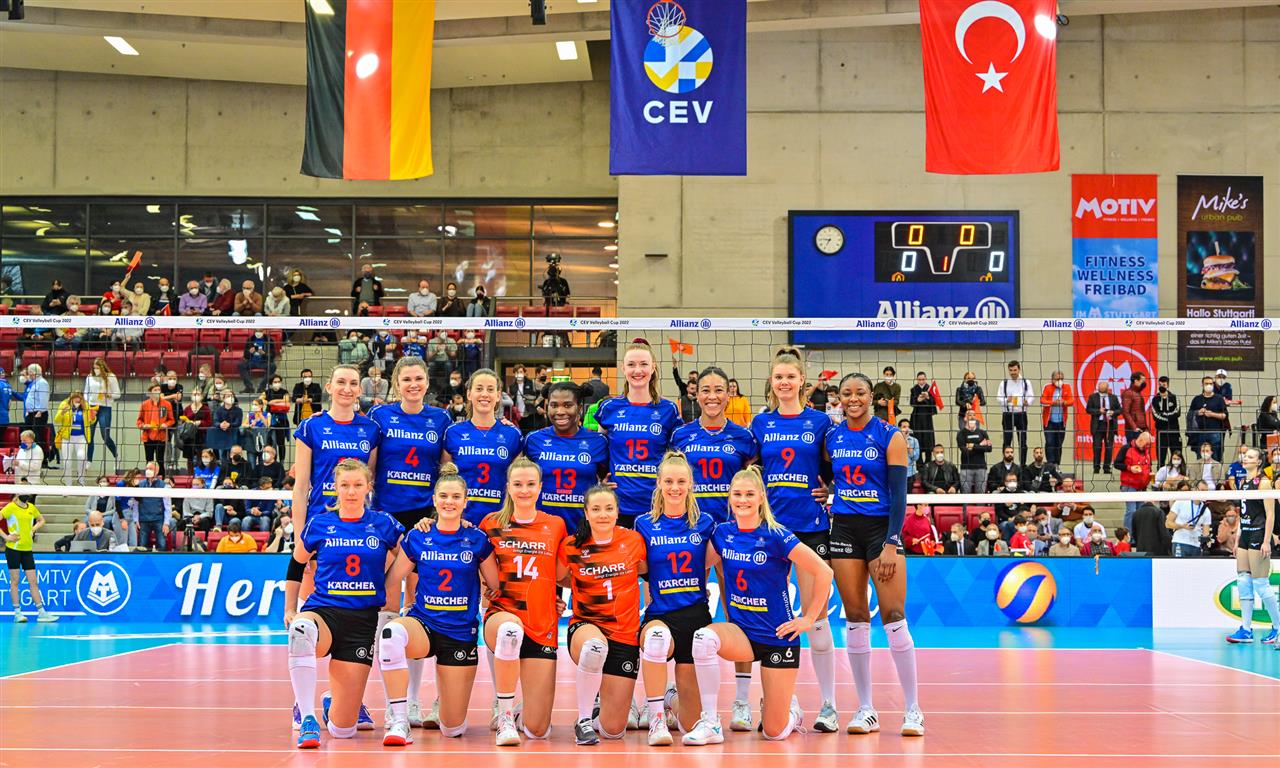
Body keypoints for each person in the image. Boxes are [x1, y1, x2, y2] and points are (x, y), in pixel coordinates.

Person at [687, 465, 833, 744]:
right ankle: (711, 723)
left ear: (761, 498)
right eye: (737, 494)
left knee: (774, 733)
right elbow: (696, 566)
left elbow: (824, 572)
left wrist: (808, 619)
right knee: (703, 639)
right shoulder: (722, 534)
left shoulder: (777, 535)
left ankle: (791, 712)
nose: (742, 500)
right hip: (742, 634)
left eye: (749, 494)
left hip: (778, 637)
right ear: (729, 497)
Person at [826, 372, 924, 736]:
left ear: (872, 397)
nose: (853, 399)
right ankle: (865, 708)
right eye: (846, 393)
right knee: (855, 617)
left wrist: (891, 543)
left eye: (860, 393)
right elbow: (827, 476)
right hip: (844, 528)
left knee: (894, 616)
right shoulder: (832, 437)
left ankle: (913, 709)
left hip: (882, 529)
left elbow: (900, 496)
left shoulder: (889, 436)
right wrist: (824, 490)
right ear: (838, 398)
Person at [285, 459, 403, 749]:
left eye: (357, 485)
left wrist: (389, 584)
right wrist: (290, 609)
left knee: (343, 730)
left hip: (361, 623)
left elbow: (411, 554)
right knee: (301, 630)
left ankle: (331, 703)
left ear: (368, 487)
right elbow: (297, 563)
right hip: (324, 613)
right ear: (335, 488)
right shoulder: (320, 523)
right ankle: (307, 716)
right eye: (345, 485)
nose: (351, 491)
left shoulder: (384, 524)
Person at [378, 464, 499, 746]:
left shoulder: (477, 539)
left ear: (466, 502)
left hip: (460, 633)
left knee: (452, 729)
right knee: (391, 634)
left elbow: (495, 584)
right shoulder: (418, 536)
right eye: (443, 496)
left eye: (456, 497)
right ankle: (399, 719)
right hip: (425, 624)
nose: (449, 502)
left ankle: (445, 705)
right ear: (434, 500)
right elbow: (392, 578)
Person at [749, 347, 836, 729]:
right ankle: (785, 701)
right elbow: (748, 470)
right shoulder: (760, 423)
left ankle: (829, 705)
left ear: (802, 381)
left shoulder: (820, 422)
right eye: (779, 377)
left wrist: (830, 488)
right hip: (770, 529)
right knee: (773, 618)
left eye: (790, 376)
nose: (784, 382)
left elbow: (835, 465)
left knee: (816, 617)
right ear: (772, 382)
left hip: (809, 525)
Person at [462, 457, 567, 747]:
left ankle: (522, 713)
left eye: (530, 484)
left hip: (541, 623)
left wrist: (556, 598)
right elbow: (475, 560)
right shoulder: (491, 523)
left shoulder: (556, 525)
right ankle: (505, 715)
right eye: (518, 484)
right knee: (510, 631)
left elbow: (562, 574)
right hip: (503, 613)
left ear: (540, 487)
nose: (524, 490)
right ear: (508, 487)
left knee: (538, 730)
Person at [559, 485, 647, 745]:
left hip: (624, 634)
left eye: (609, 508)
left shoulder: (633, 540)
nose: (603, 515)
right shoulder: (572, 545)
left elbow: (645, 570)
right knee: (594, 647)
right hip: (587, 625)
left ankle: (599, 714)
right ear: (586, 513)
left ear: (618, 512)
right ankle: (584, 720)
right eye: (596, 509)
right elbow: (558, 577)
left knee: (613, 730)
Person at [596, 340, 682, 529]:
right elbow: (598, 451)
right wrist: (599, 481)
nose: (637, 370)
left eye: (643, 364)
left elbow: (678, 458)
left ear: (653, 367)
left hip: (657, 505)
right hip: (618, 506)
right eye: (631, 365)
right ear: (623, 368)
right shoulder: (609, 408)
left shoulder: (668, 410)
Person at [521, 382, 610, 533]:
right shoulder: (533, 440)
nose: (560, 411)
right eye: (554, 405)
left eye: (568, 405)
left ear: (579, 408)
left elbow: (605, 478)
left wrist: (604, 488)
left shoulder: (598, 442)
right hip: (541, 531)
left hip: (584, 530)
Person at [440, 369, 523, 526]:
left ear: (498, 395)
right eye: (479, 389)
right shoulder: (453, 433)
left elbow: (518, 484)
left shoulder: (512, 434)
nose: (484, 394)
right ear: (469, 394)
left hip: (500, 521)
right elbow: (445, 481)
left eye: (490, 389)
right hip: (462, 521)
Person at [1225, 447, 1279, 644]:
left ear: (1259, 462)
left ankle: (1278, 628)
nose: (1245, 459)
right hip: (1246, 534)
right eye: (1245, 456)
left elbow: (1270, 514)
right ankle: (1246, 630)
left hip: (1259, 533)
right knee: (1243, 581)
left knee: (1261, 584)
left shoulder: (1264, 482)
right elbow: (1243, 512)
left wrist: (1266, 540)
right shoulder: (1242, 482)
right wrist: (1238, 537)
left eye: (1250, 457)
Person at [3, 494, 59, 623]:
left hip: (27, 550)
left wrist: (33, 529)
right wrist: (6, 537)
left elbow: (41, 520)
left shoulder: (31, 507)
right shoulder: (10, 507)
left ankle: (42, 613)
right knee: (15, 581)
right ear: (17, 494)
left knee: (33, 581)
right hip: (13, 549)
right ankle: (17, 614)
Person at [51, 391, 94, 485]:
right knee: (67, 462)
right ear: (72, 398)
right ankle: (68, 484)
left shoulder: (86, 406)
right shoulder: (64, 404)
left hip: (81, 437)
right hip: (67, 437)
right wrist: (62, 413)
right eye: (76, 398)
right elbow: (57, 420)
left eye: (80, 399)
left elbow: (91, 421)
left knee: (81, 457)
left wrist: (93, 417)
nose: (78, 400)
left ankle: (81, 482)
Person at [15, 364, 52, 469]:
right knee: (28, 436)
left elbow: (43, 398)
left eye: (30, 371)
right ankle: (29, 459)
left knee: (38, 436)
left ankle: (42, 461)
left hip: (38, 414)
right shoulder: (34, 383)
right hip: (31, 414)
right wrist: (28, 411)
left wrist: (40, 411)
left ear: (35, 372)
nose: (29, 374)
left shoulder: (42, 383)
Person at [134, 383, 174, 473]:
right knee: (149, 460)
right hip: (148, 436)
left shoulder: (167, 404)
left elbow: (171, 420)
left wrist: (166, 425)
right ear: (150, 392)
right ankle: (149, 478)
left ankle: (161, 478)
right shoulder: (145, 404)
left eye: (159, 390)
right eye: (155, 390)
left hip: (161, 436)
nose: (157, 392)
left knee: (160, 460)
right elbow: (139, 421)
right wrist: (143, 425)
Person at [1188, 375, 1229, 462]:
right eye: (1206, 383)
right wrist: (1198, 412)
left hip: (1215, 432)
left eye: (1211, 383)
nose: (1209, 385)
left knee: (1215, 457)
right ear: (1202, 385)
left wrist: (1212, 414)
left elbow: (1224, 415)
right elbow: (1190, 414)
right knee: (1200, 457)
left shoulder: (1219, 398)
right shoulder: (1197, 399)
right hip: (1200, 433)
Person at [1119, 432, 1153, 530]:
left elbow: (1149, 467)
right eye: (1147, 444)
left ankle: (1138, 534)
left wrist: (1150, 475)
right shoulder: (1126, 448)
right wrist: (1130, 468)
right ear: (1141, 440)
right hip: (1129, 486)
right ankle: (1128, 535)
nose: (1148, 446)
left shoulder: (1146, 451)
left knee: (1140, 512)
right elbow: (1117, 464)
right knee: (1131, 511)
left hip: (1142, 487)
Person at [134, 462, 172, 551]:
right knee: (142, 546)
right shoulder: (140, 485)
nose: (148, 471)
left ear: (157, 471)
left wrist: (166, 523)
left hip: (159, 519)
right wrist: (136, 520)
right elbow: (136, 504)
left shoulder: (164, 486)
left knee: (162, 545)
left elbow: (168, 506)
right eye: (147, 468)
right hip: (144, 519)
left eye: (151, 469)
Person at [1086, 380, 1120, 474]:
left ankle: (1107, 467)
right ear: (1098, 388)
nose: (1102, 389)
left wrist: (1113, 412)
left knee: (1109, 448)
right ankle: (1096, 467)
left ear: (1107, 388)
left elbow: (1120, 409)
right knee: (1097, 447)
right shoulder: (1093, 397)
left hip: (1110, 425)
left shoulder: (1113, 397)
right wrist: (1098, 411)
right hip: (1098, 425)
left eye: (1104, 388)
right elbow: (1088, 409)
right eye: (1100, 387)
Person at [1039, 370, 1072, 467]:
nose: (1060, 381)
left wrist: (1064, 402)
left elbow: (1071, 400)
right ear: (1052, 379)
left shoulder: (1067, 387)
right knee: (1050, 442)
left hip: (1061, 422)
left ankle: (1057, 464)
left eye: (1061, 379)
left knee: (1059, 443)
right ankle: (1050, 464)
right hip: (1049, 422)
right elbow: (1042, 400)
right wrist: (1053, 403)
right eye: (1057, 379)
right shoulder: (1047, 387)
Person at [956, 414, 992, 494]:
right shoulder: (960, 434)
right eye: (969, 414)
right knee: (966, 494)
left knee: (981, 495)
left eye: (974, 414)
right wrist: (981, 445)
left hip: (981, 468)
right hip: (966, 468)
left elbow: (989, 448)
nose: (972, 416)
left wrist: (973, 446)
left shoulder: (983, 432)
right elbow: (965, 451)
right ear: (965, 418)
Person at [908, 371, 937, 458]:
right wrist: (918, 400)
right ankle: (919, 461)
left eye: (923, 379)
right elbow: (912, 403)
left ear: (925, 379)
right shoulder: (913, 389)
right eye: (919, 379)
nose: (921, 381)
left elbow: (934, 403)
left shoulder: (930, 389)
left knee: (928, 439)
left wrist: (927, 397)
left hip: (927, 417)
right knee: (918, 438)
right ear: (917, 380)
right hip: (917, 417)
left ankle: (928, 460)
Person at [426, 330, 457, 395]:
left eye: (445, 331)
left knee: (448, 365)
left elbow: (454, 357)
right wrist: (436, 350)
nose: (443, 333)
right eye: (441, 331)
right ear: (437, 333)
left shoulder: (451, 341)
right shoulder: (432, 341)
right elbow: (428, 358)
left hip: (446, 361)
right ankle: (433, 387)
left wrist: (447, 349)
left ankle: (448, 386)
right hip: (435, 361)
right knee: (431, 365)